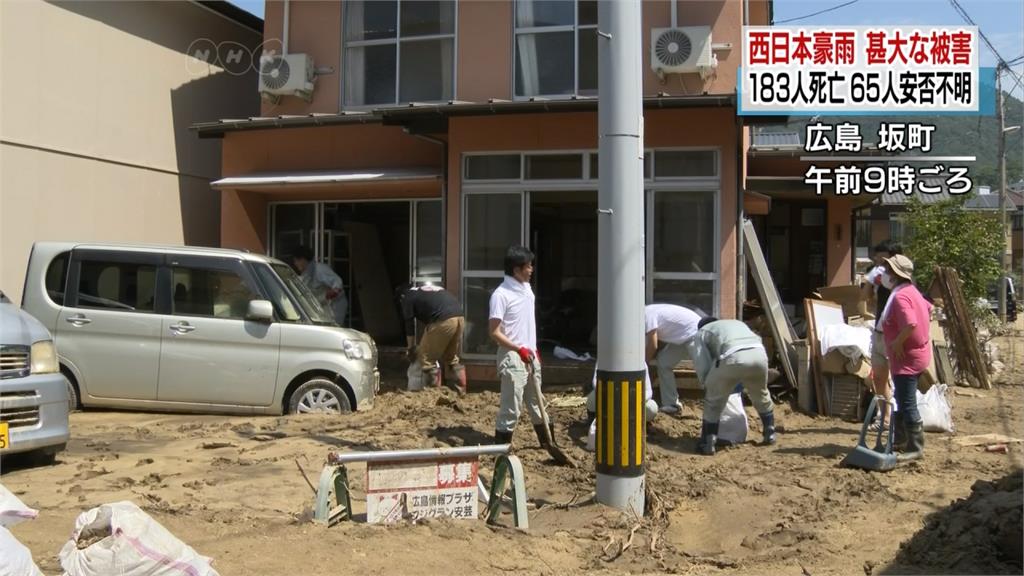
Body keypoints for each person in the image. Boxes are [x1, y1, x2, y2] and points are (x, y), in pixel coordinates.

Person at [488, 246, 551, 448]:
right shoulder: (501, 295)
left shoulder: (526, 289)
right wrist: (518, 349)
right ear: (516, 270)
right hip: (512, 355)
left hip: (529, 354)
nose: (531, 269)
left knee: (536, 402)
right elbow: (494, 332)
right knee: (512, 406)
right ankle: (501, 449)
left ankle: (548, 442)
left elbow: (526, 323)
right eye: (528, 266)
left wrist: (532, 348)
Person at [690, 316, 775, 456]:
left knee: (713, 401)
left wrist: (706, 382)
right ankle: (770, 432)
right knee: (761, 394)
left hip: (733, 357)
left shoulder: (702, 332)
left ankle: (708, 442)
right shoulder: (736, 323)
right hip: (759, 354)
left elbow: (702, 360)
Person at [879, 254, 932, 462]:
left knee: (907, 402)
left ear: (895, 274)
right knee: (902, 399)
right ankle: (900, 441)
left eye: (889, 270)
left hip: (907, 359)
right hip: (917, 354)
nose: (886, 274)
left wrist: (898, 342)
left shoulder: (901, 296)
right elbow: (929, 308)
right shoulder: (912, 292)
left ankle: (915, 447)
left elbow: (910, 323)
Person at [860, 240, 902, 432]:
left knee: (898, 378)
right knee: (879, 377)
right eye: (877, 256)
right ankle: (885, 418)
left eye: (882, 257)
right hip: (879, 331)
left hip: (895, 335)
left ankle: (899, 420)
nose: (878, 260)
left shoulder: (902, 280)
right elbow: (865, 297)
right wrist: (870, 280)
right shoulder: (878, 275)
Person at [397, 283, 467, 395]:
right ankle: (461, 391)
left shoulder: (407, 297)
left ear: (401, 297)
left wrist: (410, 348)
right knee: (451, 358)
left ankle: (434, 394)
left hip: (443, 320)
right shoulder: (423, 291)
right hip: (459, 317)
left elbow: (409, 325)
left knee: (426, 358)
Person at [584, 365, 658, 451]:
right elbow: (595, 382)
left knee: (651, 408)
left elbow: (649, 391)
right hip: (609, 396)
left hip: (633, 400)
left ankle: (642, 423)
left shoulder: (640, 361)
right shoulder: (603, 356)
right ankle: (595, 417)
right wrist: (611, 394)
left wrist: (634, 399)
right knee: (592, 399)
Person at [645, 303, 702, 415]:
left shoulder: (646, 315)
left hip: (694, 332)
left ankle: (717, 405)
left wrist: (644, 364)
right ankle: (671, 404)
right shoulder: (647, 313)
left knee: (703, 370)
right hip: (681, 338)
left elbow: (653, 344)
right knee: (664, 363)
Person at [292, 246, 347, 326]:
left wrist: (331, 294)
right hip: (322, 309)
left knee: (332, 330)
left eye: (296, 261)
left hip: (334, 308)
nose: (295, 264)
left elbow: (338, 283)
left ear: (303, 259)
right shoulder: (306, 275)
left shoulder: (320, 269)